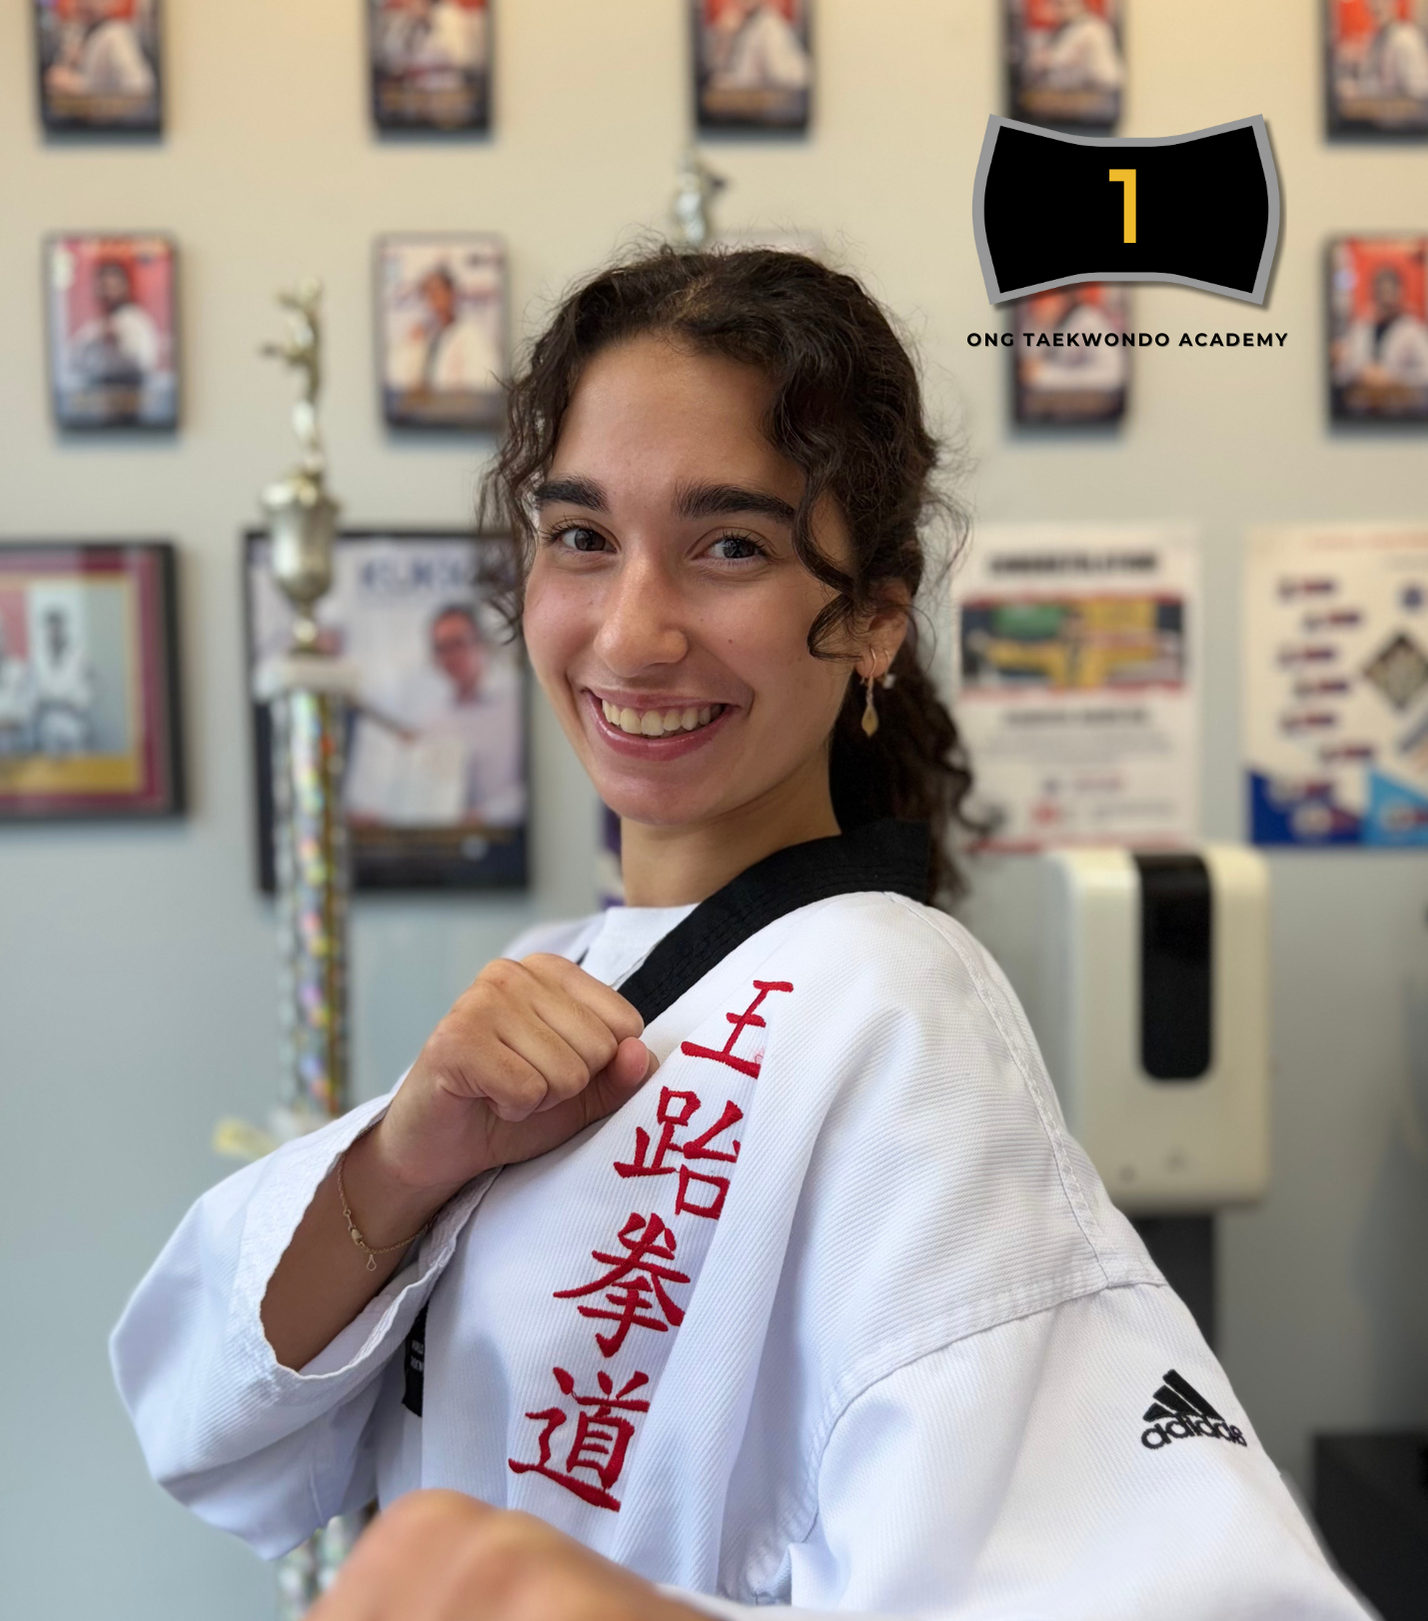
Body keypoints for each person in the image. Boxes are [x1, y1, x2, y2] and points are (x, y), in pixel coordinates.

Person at [111, 249, 1366, 1619]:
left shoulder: (888, 1004)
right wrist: (408, 1159)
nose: (634, 633)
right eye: (582, 536)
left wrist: (564, 1601)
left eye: (730, 547)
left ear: (875, 616)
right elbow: (209, 1423)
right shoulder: (579, 970)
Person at [387, 265, 498, 398]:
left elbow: (484, 383)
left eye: (437, 292)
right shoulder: (422, 335)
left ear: (451, 293)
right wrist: (411, 345)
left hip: (459, 411)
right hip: (425, 411)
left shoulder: (472, 335)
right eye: (427, 294)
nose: (433, 300)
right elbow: (401, 378)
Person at [68, 257, 160, 391]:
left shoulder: (137, 321)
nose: (107, 293)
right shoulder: (96, 326)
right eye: (103, 286)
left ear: (125, 286)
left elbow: (145, 362)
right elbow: (74, 359)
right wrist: (97, 339)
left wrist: (118, 340)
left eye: (112, 287)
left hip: (130, 398)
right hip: (99, 397)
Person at [1335, 262, 1428, 392]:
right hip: (1361, 405)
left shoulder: (1414, 330)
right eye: (1380, 292)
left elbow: (1425, 374)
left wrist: (1393, 378)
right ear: (1373, 294)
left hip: (1401, 407)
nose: (1385, 299)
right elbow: (1342, 373)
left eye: (1389, 292)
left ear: (1400, 292)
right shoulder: (1360, 328)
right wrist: (1361, 374)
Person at [44, 0, 156, 102]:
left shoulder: (116, 35)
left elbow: (139, 88)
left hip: (109, 121)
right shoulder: (78, 33)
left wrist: (81, 88)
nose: (84, 3)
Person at [706, 0, 811, 93]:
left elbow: (779, 75)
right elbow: (718, 66)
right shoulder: (738, 24)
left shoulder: (770, 26)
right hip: (747, 100)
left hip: (771, 104)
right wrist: (724, 37)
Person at [1023, 0, 1124, 96]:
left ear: (1079, 4)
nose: (1058, 11)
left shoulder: (1088, 28)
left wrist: (1040, 58)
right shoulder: (1077, 26)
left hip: (1102, 92)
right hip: (1094, 90)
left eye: (1062, 5)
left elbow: (1053, 60)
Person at [32, 607, 96, 756]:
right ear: (46, 631)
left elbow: (90, 687)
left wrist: (79, 703)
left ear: (63, 629)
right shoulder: (38, 658)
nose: (54, 633)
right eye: (51, 629)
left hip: (73, 718)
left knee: (78, 766)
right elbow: (35, 693)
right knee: (52, 769)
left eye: (57, 628)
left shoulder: (79, 655)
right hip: (48, 719)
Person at [1359, 0, 1428, 102]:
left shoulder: (1406, 39)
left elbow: (1419, 91)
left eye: (1381, 2)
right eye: (1372, 2)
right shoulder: (1376, 40)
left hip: (1405, 114)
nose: (1376, 6)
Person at [0, 618, 35, 757]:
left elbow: (28, 708)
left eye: (2, 634)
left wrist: (8, 722)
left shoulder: (20, 669)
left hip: (15, 734)